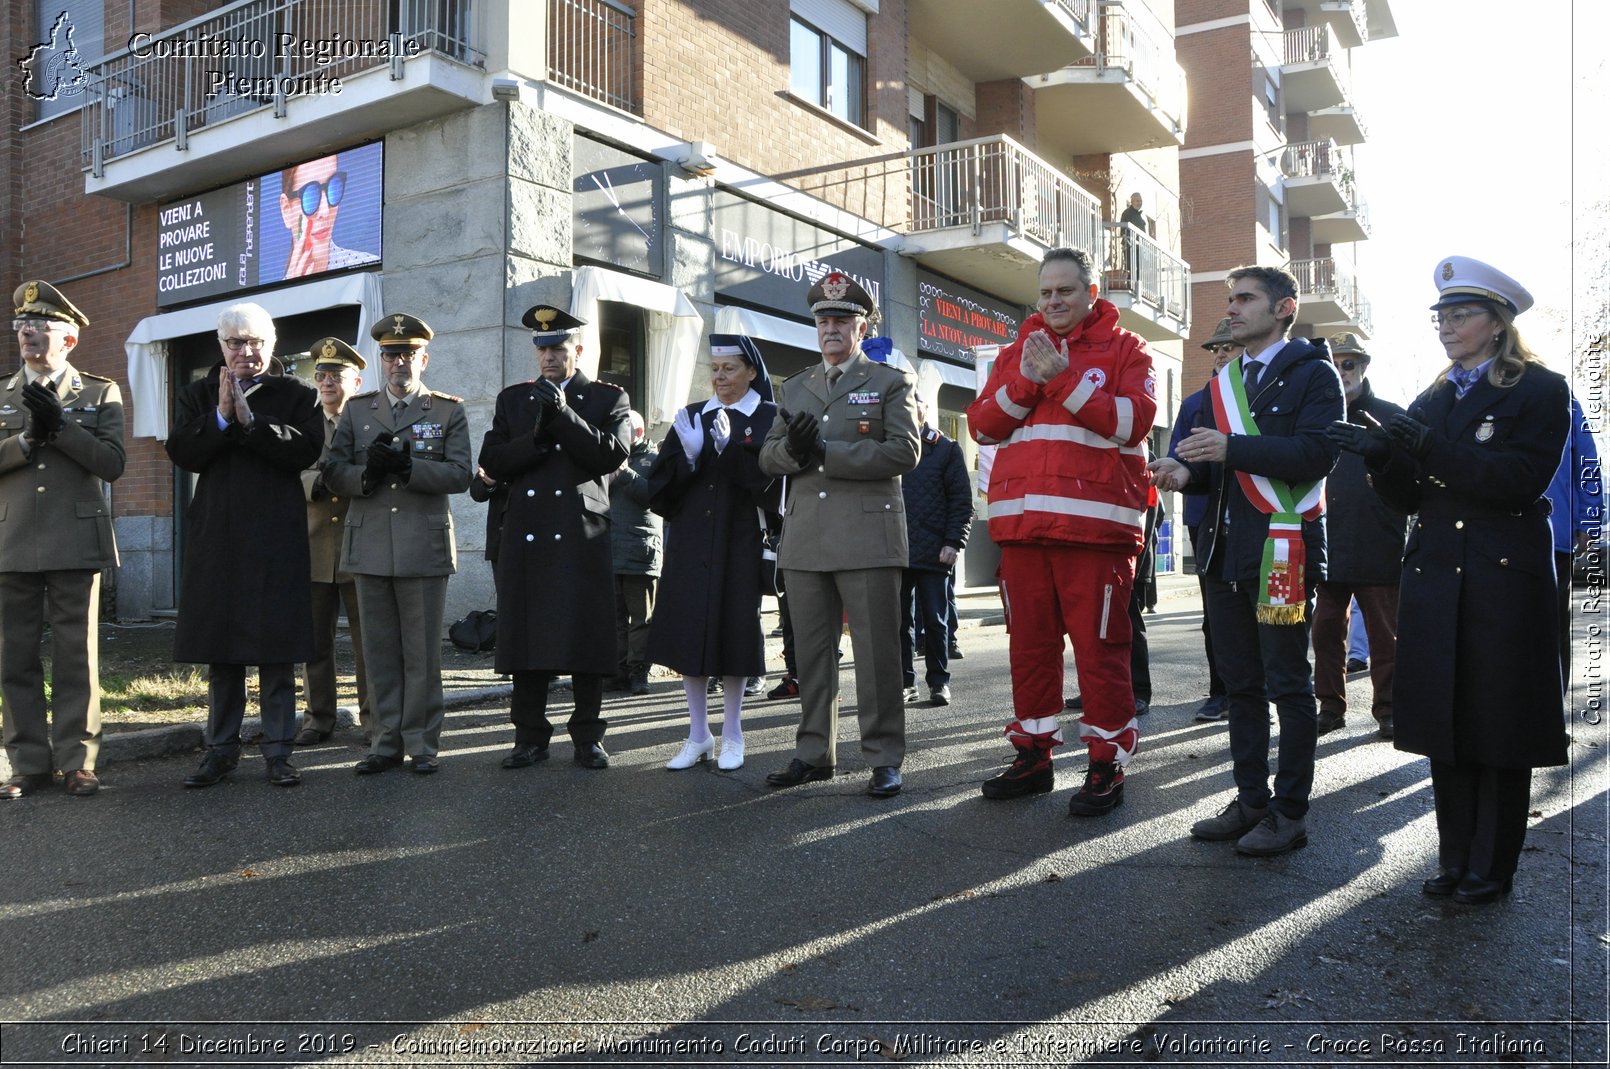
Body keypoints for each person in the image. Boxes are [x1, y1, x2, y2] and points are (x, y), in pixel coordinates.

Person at [1330, 256, 1570, 904]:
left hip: (1501, 576)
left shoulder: (1542, 391)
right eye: (1441, 315)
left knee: (1498, 725)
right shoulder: (1434, 396)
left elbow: (1517, 479)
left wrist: (1427, 449)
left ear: (1498, 322)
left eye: (1461, 314)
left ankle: (1492, 866)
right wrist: (1382, 459)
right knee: (1447, 724)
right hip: (1437, 572)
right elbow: (1409, 496)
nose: (1446, 325)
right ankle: (1454, 855)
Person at [1149, 265, 1342, 855]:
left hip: (1280, 553)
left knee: (1287, 682)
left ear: (1284, 308)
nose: (1232, 309)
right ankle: (1251, 799)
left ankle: (1290, 812)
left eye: (1246, 299)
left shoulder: (1315, 375)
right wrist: (1185, 472)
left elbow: (1316, 454)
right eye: (1230, 299)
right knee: (1241, 685)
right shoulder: (1224, 382)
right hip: (1224, 554)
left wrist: (1230, 448)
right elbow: (1215, 466)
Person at [967, 246, 1156, 817]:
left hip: (1095, 534)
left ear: (1091, 293)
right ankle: (1033, 756)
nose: (1053, 301)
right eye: (1045, 292)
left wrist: (1063, 379)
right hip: (1023, 532)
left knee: (1101, 654)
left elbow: (1131, 423)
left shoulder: (1128, 350)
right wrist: (1028, 381)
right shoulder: (1014, 354)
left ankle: (1106, 763)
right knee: (1029, 650)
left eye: (1065, 291)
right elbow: (981, 425)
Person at [758, 272, 920, 798]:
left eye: (841, 321)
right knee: (810, 653)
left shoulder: (889, 382)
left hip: (867, 534)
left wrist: (827, 453)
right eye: (823, 321)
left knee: (876, 653)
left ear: (861, 325)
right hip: (807, 537)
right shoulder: (797, 385)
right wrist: (796, 453)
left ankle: (883, 754)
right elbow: (767, 456)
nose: (831, 329)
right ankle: (813, 752)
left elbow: (904, 452)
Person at [168, 303, 324, 789]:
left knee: (278, 651)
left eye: (256, 341)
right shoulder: (196, 393)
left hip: (276, 538)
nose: (246, 351)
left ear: (272, 344)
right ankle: (220, 750)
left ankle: (279, 751)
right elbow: (183, 452)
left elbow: (305, 450)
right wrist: (219, 416)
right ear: (221, 346)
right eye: (235, 342)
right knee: (224, 652)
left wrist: (251, 422)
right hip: (219, 538)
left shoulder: (299, 395)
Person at [479, 306, 630, 771]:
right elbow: (494, 459)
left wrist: (563, 415)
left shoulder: (609, 398)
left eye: (558, 348)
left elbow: (610, 454)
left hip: (580, 535)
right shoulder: (513, 400)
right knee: (528, 640)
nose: (548, 356)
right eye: (542, 349)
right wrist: (539, 438)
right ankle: (529, 737)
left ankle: (587, 736)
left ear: (578, 351)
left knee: (586, 639)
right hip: (527, 532)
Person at [324, 313, 472, 776]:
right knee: (379, 650)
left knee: (422, 653)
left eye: (407, 354)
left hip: (421, 547)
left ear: (423, 359)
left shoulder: (447, 411)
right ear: (380, 361)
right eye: (390, 354)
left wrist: (410, 470)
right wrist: (366, 475)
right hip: (369, 544)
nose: (398, 362)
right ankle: (384, 742)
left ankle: (422, 743)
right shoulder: (357, 409)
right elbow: (332, 468)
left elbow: (461, 473)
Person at [0, 281, 124, 800]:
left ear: (69, 339)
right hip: (12, 539)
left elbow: (112, 464)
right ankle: (27, 761)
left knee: (77, 656)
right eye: (23, 326)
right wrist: (27, 439)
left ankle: (78, 760)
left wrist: (62, 429)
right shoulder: (2, 394)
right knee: (14, 656)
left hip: (75, 540)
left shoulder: (99, 392)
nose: (29, 333)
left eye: (42, 325)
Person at [648, 335, 780, 771]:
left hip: (738, 541)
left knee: (735, 632)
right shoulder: (691, 417)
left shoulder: (768, 418)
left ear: (751, 372)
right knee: (690, 635)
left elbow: (773, 489)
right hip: (690, 542)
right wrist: (687, 458)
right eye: (715, 369)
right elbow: (659, 495)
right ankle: (698, 733)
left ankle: (734, 733)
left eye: (729, 369)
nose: (719, 378)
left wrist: (727, 455)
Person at [1311, 332, 1407, 740]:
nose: (1341, 371)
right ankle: (1331, 706)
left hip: (1377, 543)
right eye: (1333, 363)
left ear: (1363, 368)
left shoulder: (1390, 415)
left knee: (1386, 637)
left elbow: (1408, 480)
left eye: (1348, 363)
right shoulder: (1314, 418)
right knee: (1325, 633)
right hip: (1328, 546)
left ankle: (1388, 708)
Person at [296, 338, 372, 746]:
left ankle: (372, 720)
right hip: (312, 544)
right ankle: (317, 718)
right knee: (314, 643)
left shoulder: (367, 420)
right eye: (321, 375)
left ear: (356, 381)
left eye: (335, 375)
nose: (326, 382)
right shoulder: (304, 421)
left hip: (358, 544)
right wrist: (317, 480)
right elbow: (289, 471)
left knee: (368, 644)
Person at [1169, 320, 1237, 721]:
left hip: (1253, 516)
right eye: (1216, 349)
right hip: (1205, 518)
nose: (1221, 354)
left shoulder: (1259, 399)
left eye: (1228, 347)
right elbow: (1179, 454)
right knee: (1216, 613)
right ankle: (1220, 691)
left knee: (1257, 613)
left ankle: (1255, 691)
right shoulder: (1195, 402)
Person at [900, 388, 972, 707]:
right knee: (899, 622)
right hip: (896, 551)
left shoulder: (946, 449)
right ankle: (904, 682)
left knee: (935, 620)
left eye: (913, 404)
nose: (908, 409)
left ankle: (939, 682)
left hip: (934, 550)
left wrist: (953, 542)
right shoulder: (890, 449)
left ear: (924, 407)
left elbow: (962, 502)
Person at [1544, 390, 1601, 689]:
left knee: (1552, 625)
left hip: (1555, 536)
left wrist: (1589, 522)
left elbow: (1587, 463)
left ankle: (1552, 714)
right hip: (1497, 533)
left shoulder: (1563, 400)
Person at [608, 409, 662, 696]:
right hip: (611, 550)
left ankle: (639, 672)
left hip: (641, 552)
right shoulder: (609, 458)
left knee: (642, 617)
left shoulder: (654, 460)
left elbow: (655, 496)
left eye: (623, 430)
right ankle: (618, 671)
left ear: (638, 433)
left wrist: (625, 473)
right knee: (614, 617)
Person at [278, 152, 377, 278]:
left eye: (333, 186)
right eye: (310, 196)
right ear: (287, 210)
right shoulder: (272, 296)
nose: (325, 211)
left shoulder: (366, 269)